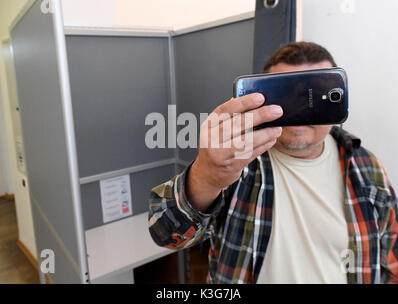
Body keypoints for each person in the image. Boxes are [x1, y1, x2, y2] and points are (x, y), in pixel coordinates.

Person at [148, 41, 398, 284]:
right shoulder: (236, 161)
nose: (300, 111)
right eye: (287, 96)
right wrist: (207, 176)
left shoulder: (365, 166)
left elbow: (392, 258)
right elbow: (166, 234)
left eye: (312, 94)